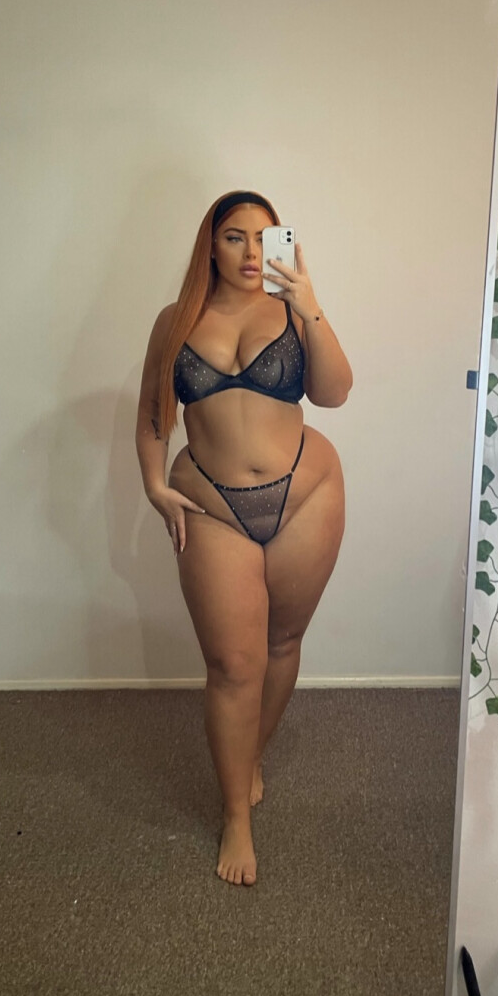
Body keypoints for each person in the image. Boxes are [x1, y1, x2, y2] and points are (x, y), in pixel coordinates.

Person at [135, 190, 352, 886]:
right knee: (232, 665)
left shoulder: (291, 310)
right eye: (235, 237)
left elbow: (335, 393)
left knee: (282, 642)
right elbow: (153, 413)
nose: (252, 253)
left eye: (264, 238)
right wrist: (153, 483)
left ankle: (251, 754)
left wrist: (310, 303)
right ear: (211, 245)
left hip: (306, 494)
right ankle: (235, 815)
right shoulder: (175, 320)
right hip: (210, 505)